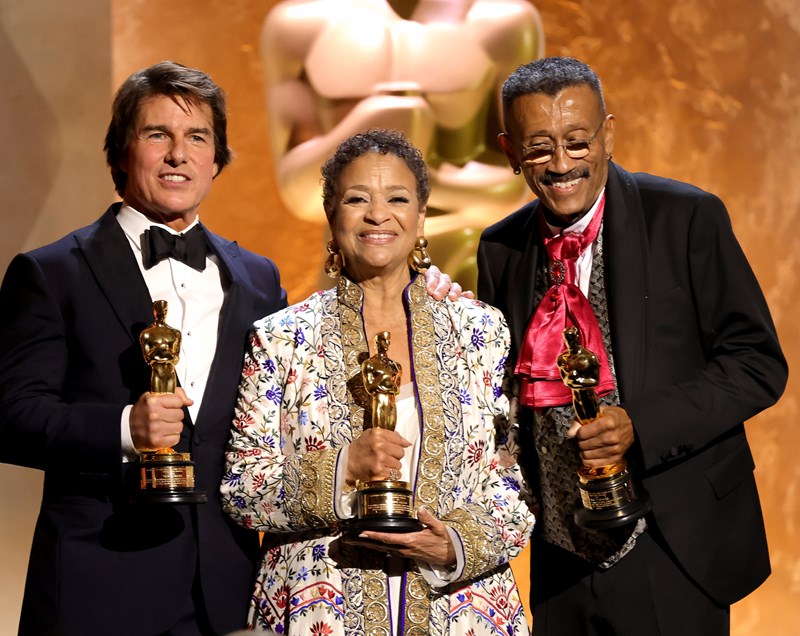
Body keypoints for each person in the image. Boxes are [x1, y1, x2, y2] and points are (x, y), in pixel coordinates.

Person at [477, 57, 788, 635]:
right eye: (540, 148)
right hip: (559, 553)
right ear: (509, 150)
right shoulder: (500, 249)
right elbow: (498, 392)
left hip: (673, 543)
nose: (562, 164)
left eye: (577, 141)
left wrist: (640, 423)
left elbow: (758, 363)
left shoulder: (687, 216)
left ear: (609, 134)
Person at [0, 61, 289, 636]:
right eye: (158, 135)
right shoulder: (51, 272)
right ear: (121, 152)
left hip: (228, 590)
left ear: (216, 158)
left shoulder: (260, 279)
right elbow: (10, 417)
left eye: (197, 137)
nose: (178, 154)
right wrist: (124, 429)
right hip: (98, 586)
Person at [221, 129, 534, 635]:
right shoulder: (280, 338)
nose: (377, 214)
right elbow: (242, 489)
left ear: (421, 215)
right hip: (317, 608)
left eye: (397, 198)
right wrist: (344, 468)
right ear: (331, 214)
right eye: (356, 199)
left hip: (462, 609)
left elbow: (515, 484)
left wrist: (454, 544)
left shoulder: (481, 332)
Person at [261, 0, 543, 288]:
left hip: (460, 266)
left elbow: (518, 185)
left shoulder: (502, 22)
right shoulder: (298, 26)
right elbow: (300, 194)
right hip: (353, 270)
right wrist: (368, 121)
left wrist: (419, 180)